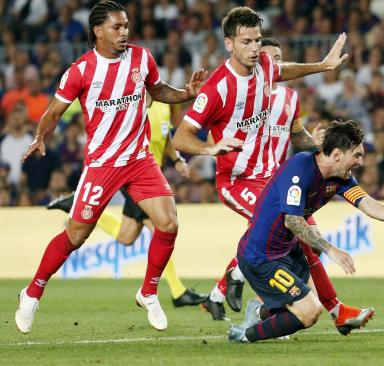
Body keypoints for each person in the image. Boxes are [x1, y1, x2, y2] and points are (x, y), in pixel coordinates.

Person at [15, 0, 241, 334]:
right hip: (102, 164)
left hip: (139, 160)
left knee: (168, 223)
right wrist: (39, 135)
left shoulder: (141, 57)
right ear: (97, 31)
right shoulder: (81, 70)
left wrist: (186, 93)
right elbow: (54, 110)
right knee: (76, 235)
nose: (125, 32)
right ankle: (32, 293)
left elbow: (157, 90)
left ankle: (148, 292)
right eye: (117, 27)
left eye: (126, 26)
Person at [173, 7, 375, 334]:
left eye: (257, 41)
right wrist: (210, 148)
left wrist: (322, 66)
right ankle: (327, 308)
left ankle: (256, 303)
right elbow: (181, 137)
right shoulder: (218, 88)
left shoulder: (267, 69)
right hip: (237, 181)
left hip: (271, 178)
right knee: (297, 231)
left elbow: (284, 70)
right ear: (228, 44)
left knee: (300, 237)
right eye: (247, 42)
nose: (255, 49)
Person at [228, 120, 384, 343]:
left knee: (311, 301)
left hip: (287, 252)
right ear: (336, 155)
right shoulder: (299, 169)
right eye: (357, 155)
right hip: (261, 258)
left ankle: (258, 312)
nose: (361, 162)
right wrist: (332, 250)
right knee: (309, 312)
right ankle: (244, 336)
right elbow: (293, 221)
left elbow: (367, 203)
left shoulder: (339, 178)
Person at [45, 95, 207, 308]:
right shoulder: (136, 101)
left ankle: (78, 205)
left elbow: (166, 136)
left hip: (151, 180)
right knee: (162, 227)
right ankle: (178, 291)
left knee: (127, 236)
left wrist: (176, 159)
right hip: (133, 176)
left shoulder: (165, 105)